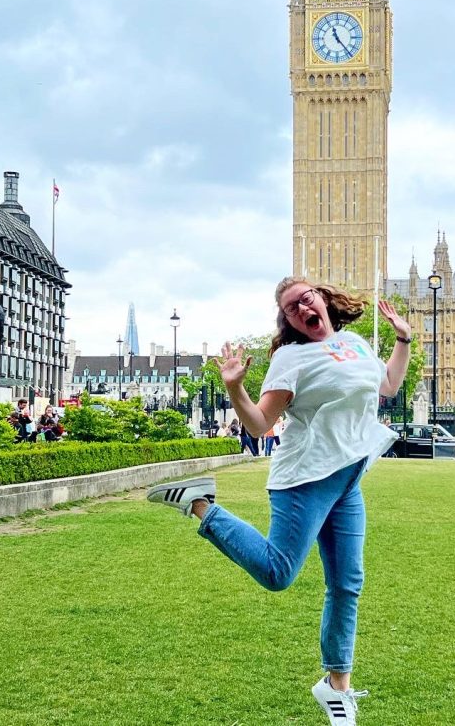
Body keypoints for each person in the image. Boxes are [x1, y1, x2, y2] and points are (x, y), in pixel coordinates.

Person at [147, 277, 410, 724]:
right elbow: (258, 424)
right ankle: (200, 504)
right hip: (305, 477)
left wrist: (402, 338)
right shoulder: (291, 358)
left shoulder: (357, 344)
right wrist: (234, 387)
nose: (302, 307)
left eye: (307, 297)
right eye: (291, 307)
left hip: (347, 476)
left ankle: (336, 687)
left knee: (347, 583)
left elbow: (387, 385)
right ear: (288, 321)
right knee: (277, 573)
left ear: (323, 300)